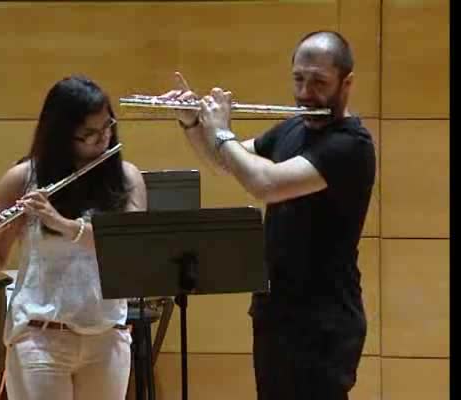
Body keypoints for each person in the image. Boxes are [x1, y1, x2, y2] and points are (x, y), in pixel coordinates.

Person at [161, 30, 376, 400]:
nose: (306, 93)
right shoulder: (295, 126)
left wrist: (222, 132)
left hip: (324, 323)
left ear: (347, 83)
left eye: (319, 82)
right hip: (276, 312)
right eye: (299, 78)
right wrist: (193, 124)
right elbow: (224, 162)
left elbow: (265, 183)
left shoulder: (351, 145)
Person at [0, 75, 147, 400]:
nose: (103, 140)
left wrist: (62, 223)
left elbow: (128, 245)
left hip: (106, 334)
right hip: (41, 336)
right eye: (89, 134)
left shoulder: (126, 178)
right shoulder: (24, 178)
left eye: (107, 127)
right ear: (62, 135)